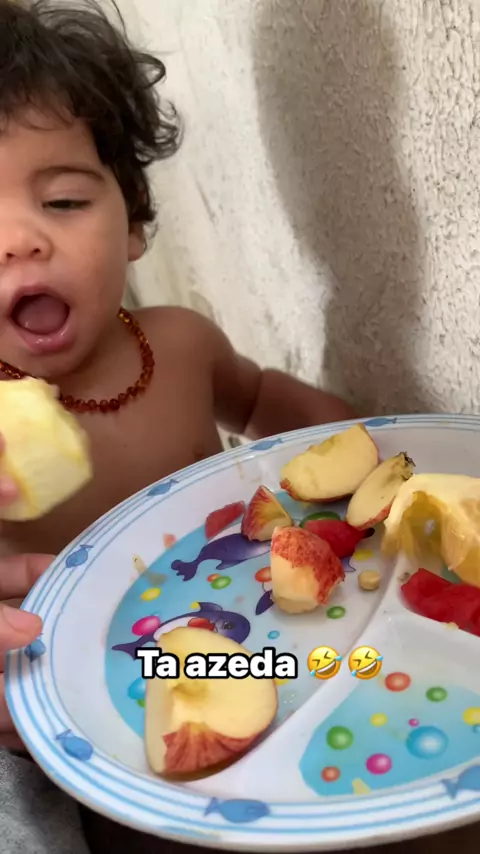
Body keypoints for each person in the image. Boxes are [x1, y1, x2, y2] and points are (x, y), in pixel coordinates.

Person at [0, 0, 355, 850]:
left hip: (265, 633)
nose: (19, 240)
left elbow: (265, 400)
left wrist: (365, 450)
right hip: (94, 713)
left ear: (133, 223)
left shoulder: (180, 343)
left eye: (62, 199)